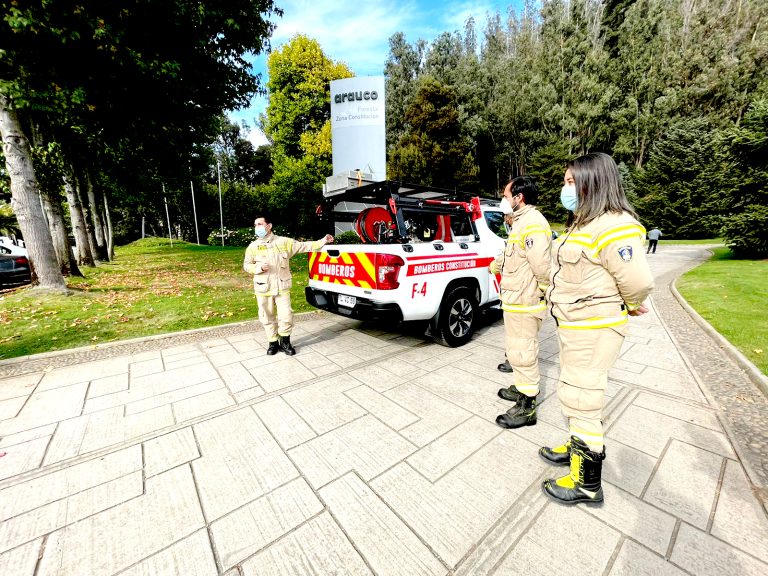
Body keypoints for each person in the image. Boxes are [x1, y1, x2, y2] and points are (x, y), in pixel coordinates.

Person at [539, 152, 654, 505]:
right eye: (565, 181)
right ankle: (576, 447)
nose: (565, 188)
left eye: (571, 181)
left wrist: (632, 303)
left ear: (594, 182)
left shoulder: (614, 225)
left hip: (594, 328)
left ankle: (587, 483)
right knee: (573, 391)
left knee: (583, 396)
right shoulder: (585, 222)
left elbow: (637, 280)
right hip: (577, 326)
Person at [490, 176, 552, 429]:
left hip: (526, 302)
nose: (503, 201)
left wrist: (546, 294)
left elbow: (541, 267)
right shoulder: (521, 222)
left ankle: (527, 407)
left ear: (519, 197)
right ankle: (521, 387)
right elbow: (516, 257)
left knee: (524, 351)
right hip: (516, 300)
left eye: (505, 196)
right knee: (516, 349)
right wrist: (498, 263)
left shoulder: (534, 224)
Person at [243, 216, 334, 355]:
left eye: (260, 224)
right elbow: (247, 265)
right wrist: (259, 268)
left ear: (269, 226)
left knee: (286, 316)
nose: (257, 227)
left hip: (282, 286)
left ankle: (285, 343)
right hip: (263, 287)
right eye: (255, 225)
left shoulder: (283, 242)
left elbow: (304, 246)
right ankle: (273, 343)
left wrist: (323, 241)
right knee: (267, 317)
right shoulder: (253, 247)